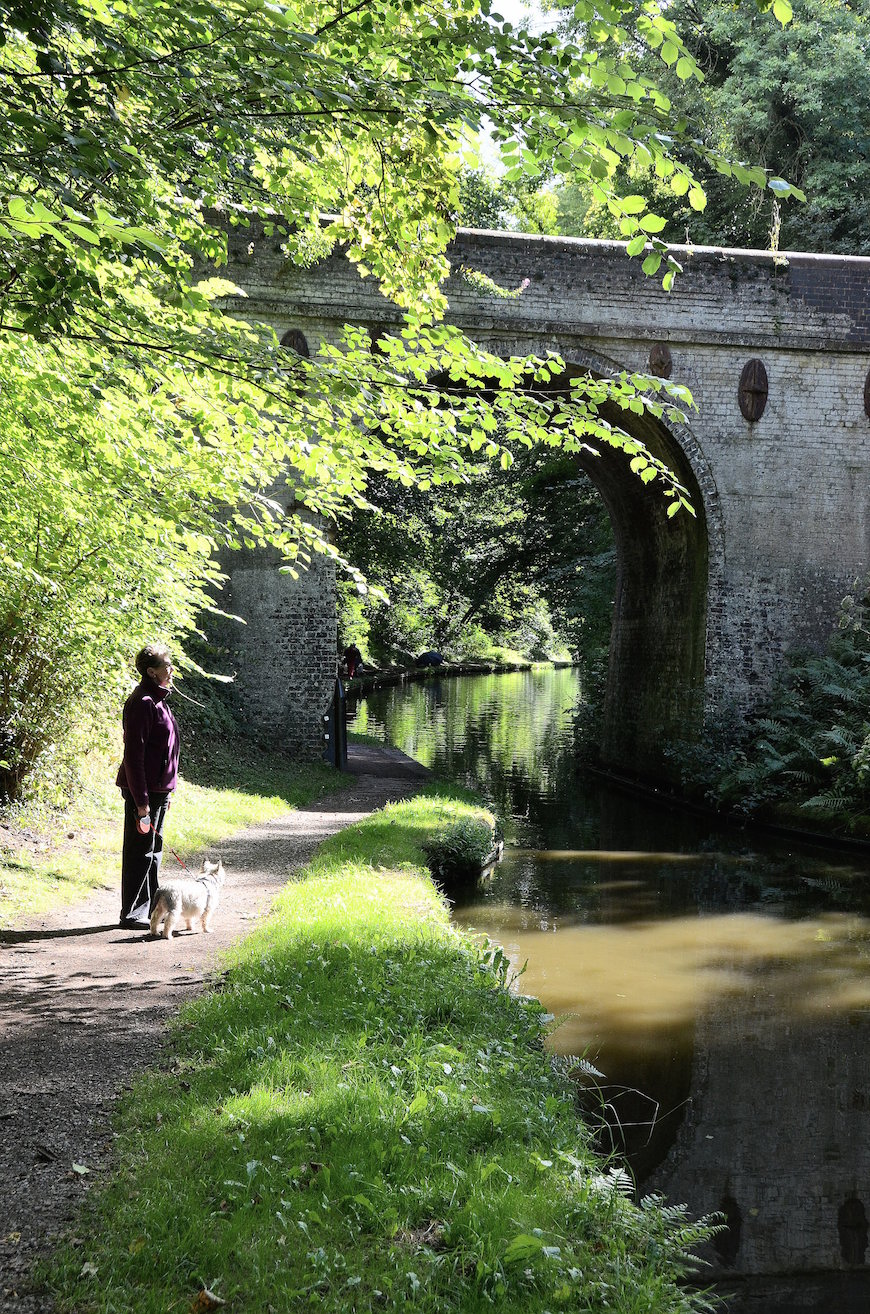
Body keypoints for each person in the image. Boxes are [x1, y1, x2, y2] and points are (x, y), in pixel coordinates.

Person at [115, 643, 180, 930]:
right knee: (139, 851)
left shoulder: (158, 699)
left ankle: (153, 910)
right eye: (166, 665)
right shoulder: (142, 702)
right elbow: (134, 756)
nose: (171, 669)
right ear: (151, 672)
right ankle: (131, 914)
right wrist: (141, 802)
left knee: (153, 851)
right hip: (145, 792)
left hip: (159, 790)